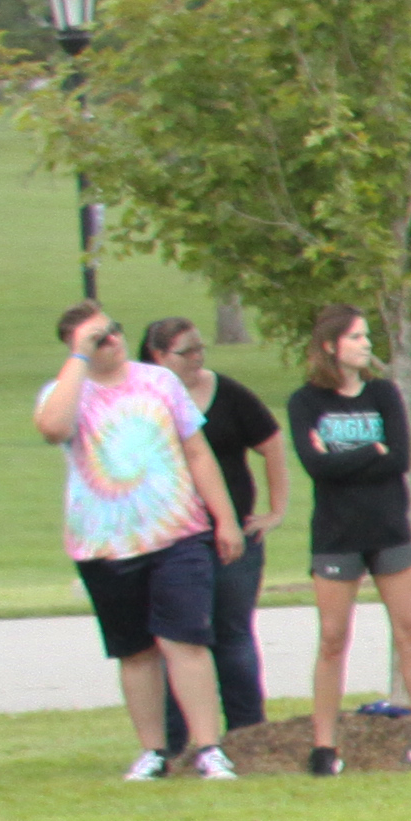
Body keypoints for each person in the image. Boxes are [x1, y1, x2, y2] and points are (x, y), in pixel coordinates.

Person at [32, 301, 247, 779]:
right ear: (75, 346)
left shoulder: (159, 382)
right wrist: (79, 359)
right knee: (135, 651)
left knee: (184, 640)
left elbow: (197, 452)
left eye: (113, 330)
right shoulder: (64, 391)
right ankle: (154, 752)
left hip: (177, 534)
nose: (112, 340)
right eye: (97, 337)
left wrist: (226, 519)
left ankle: (208, 748)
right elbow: (53, 428)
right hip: (105, 544)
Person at [289, 306, 411, 774]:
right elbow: (316, 467)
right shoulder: (306, 402)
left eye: (367, 336)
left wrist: (346, 457)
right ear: (330, 346)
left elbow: (399, 459)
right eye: (356, 337)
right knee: (332, 638)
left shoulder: (383, 394)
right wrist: (370, 451)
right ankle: (324, 747)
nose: (366, 344)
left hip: (389, 530)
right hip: (337, 535)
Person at [137, 318, 283, 755]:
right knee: (174, 638)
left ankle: (248, 735)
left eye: (201, 348)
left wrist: (274, 511)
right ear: (158, 356)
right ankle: (175, 745)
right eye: (187, 351)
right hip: (169, 536)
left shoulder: (227, 393)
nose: (198, 357)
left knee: (232, 635)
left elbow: (271, 443)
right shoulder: (143, 396)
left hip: (231, 533)